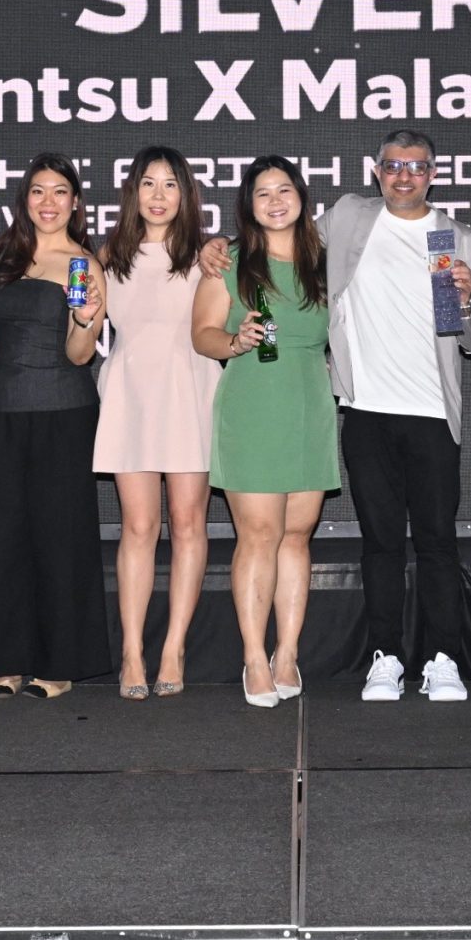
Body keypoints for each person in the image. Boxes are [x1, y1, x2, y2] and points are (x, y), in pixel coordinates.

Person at [209, 131, 471, 701]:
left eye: (416, 167)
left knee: (437, 541)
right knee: (380, 543)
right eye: (393, 166)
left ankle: (443, 659)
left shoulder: (457, 239)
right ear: (377, 171)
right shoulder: (349, 218)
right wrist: (215, 246)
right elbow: (277, 237)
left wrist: (463, 300)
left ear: (434, 174)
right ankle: (385, 657)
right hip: (365, 411)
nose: (404, 176)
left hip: (432, 412)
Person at [0, 154, 109, 699]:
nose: (49, 202)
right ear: (23, 200)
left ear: (75, 201)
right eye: (38, 191)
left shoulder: (82, 266)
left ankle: (58, 663)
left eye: (60, 191)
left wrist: (86, 321)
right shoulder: (1, 260)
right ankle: (3, 661)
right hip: (0, 411)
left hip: (62, 413)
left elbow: (79, 355)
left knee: (58, 537)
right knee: (1, 537)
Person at [194, 157, 339, 707]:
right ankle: (254, 656)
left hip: (310, 405)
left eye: (284, 190)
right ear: (248, 206)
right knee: (258, 535)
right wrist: (234, 342)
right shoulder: (229, 261)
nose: (275, 201)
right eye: (262, 193)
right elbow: (203, 334)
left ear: (302, 196)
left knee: (297, 537)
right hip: (253, 403)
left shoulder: (326, 260)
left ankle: (287, 653)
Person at [95, 146, 220, 700]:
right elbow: (78, 322)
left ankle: (173, 647)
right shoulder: (107, 256)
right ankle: (131, 651)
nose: (159, 195)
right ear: (133, 192)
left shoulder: (207, 255)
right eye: (149, 183)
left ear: (186, 194)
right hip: (131, 396)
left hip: (190, 390)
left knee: (189, 524)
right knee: (139, 527)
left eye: (171, 184)